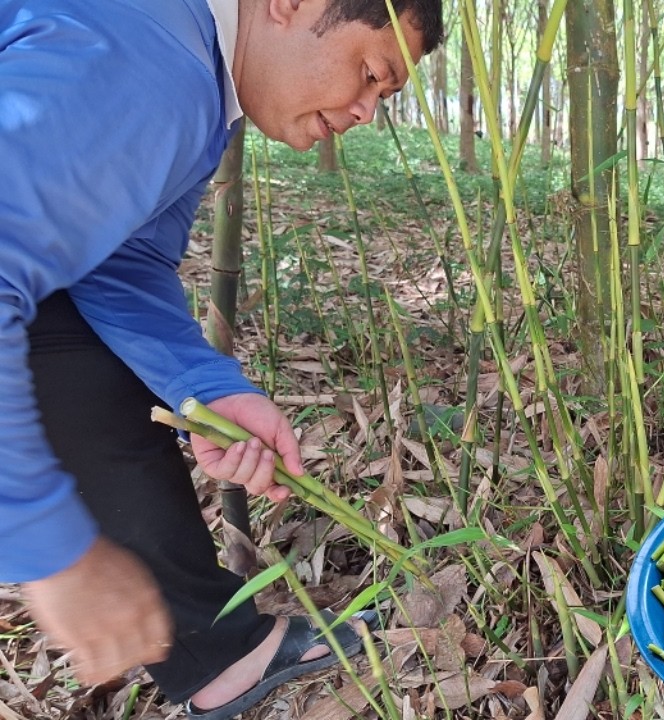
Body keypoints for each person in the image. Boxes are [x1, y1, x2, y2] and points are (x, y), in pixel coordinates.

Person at [0, 0, 442, 717]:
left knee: (79, 341)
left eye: (382, 98)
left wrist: (206, 389)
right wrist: (51, 552)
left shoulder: (193, 76)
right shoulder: (149, 68)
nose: (366, 112)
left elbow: (119, 264)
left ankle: (216, 652)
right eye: (368, 73)